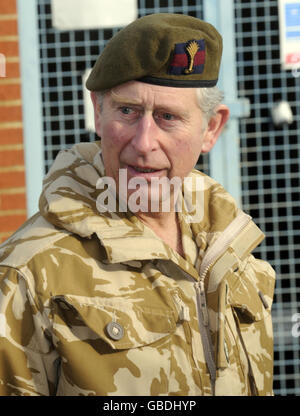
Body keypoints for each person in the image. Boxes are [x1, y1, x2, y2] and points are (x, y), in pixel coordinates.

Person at [0, 13, 275, 396]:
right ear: (97, 111)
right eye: (127, 111)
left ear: (211, 128)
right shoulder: (28, 271)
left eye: (168, 117)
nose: (144, 142)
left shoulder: (232, 249)